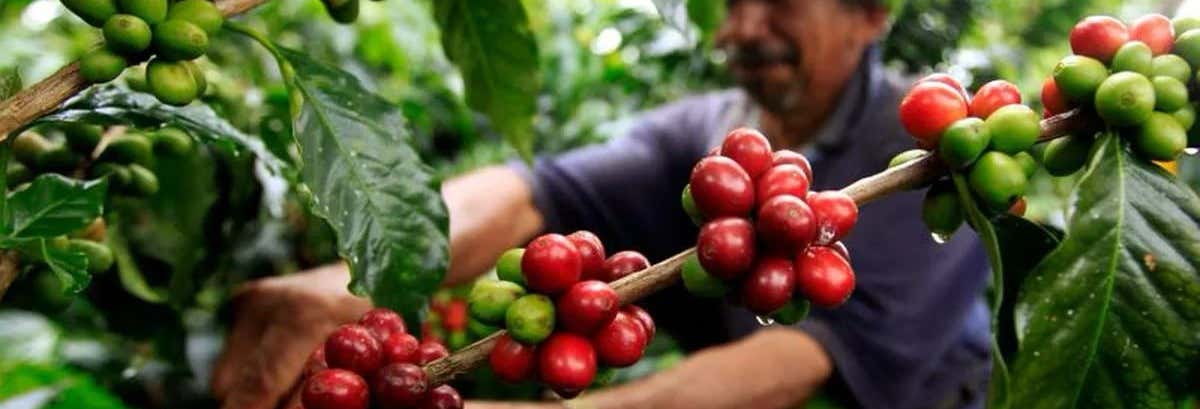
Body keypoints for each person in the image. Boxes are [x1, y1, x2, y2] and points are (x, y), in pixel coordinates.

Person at [211, 0, 992, 408]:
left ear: (868, 15)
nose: (744, 26)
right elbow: (531, 194)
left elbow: (792, 362)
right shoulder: (708, 130)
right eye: (734, 0)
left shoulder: (920, 153)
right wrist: (359, 276)